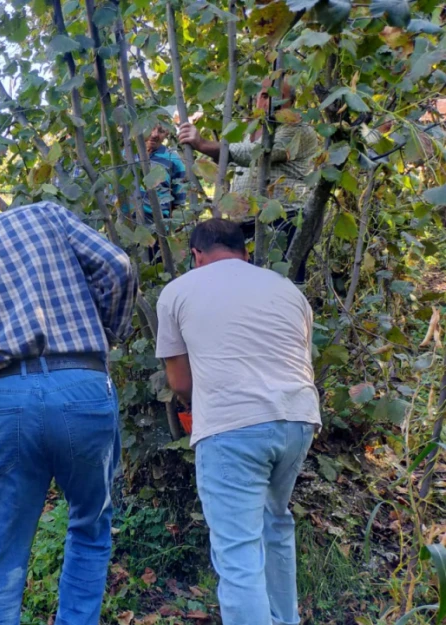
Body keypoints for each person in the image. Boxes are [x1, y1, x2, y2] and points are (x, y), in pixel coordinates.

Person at [0, 174, 136, 625]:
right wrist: (107, 332)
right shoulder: (47, 216)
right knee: (90, 527)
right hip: (83, 385)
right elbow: (118, 266)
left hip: (4, 396)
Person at [155, 219, 320, 625]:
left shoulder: (178, 291)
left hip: (232, 425)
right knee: (275, 525)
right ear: (245, 252)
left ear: (195, 255)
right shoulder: (287, 290)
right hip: (297, 418)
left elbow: (179, 381)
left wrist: (194, 403)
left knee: (238, 553)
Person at [177, 79, 320, 280]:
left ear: (291, 103)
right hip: (246, 223)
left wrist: (202, 143)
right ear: (256, 100)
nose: (270, 102)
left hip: (283, 221)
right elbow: (236, 159)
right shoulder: (252, 130)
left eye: (278, 97)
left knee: (281, 283)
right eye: (264, 95)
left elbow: (258, 153)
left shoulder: (298, 129)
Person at [143, 123, 187, 218]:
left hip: (158, 226)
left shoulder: (174, 161)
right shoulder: (125, 156)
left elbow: (179, 204)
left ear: (167, 133)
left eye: (161, 131)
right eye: (150, 127)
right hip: (125, 225)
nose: (154, 135)